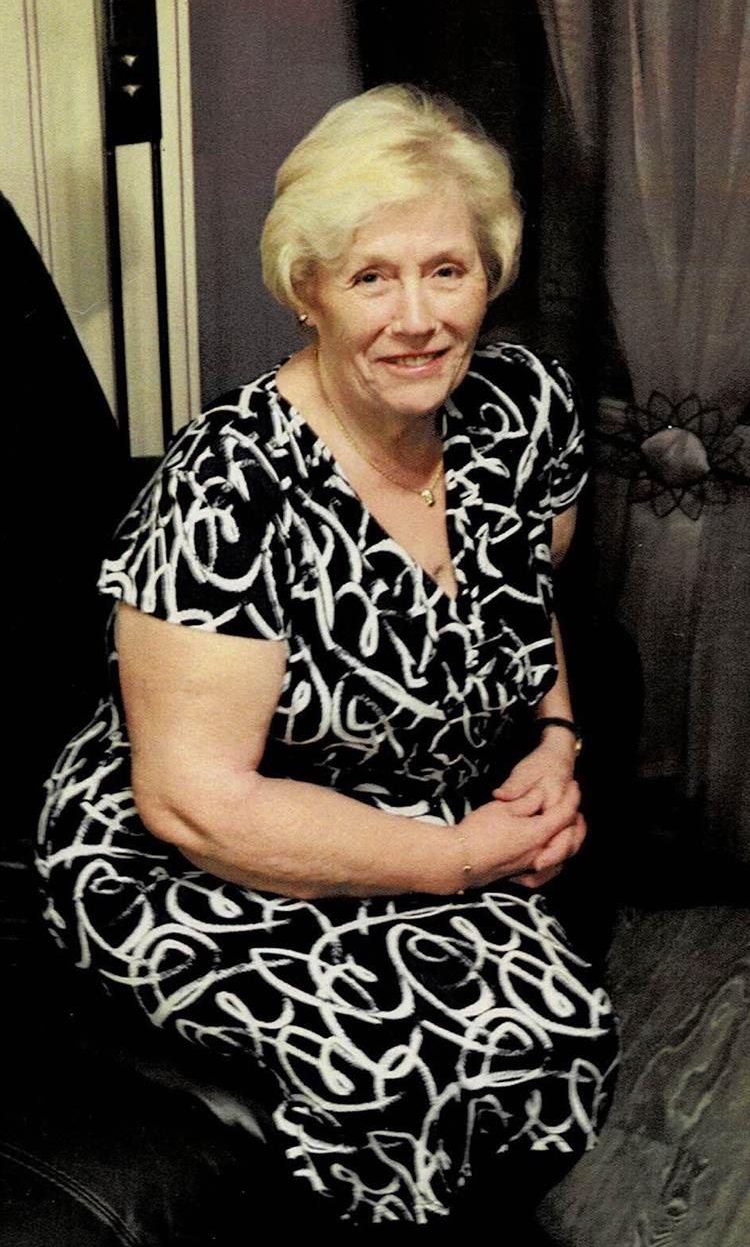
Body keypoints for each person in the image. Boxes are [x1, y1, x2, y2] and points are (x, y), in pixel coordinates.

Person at [38, 85, 618, 1231]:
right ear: (308, 288)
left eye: (447, 270)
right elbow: (195, 799)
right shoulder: (227, 488)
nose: (419, 317)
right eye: (372, 277)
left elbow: (527, 603)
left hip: (402, 795)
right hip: (198, 851)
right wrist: (460, 858)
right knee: (391, 1068)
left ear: (490, 273)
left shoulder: (524, 409)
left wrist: (555, 736)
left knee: (556, 1030)